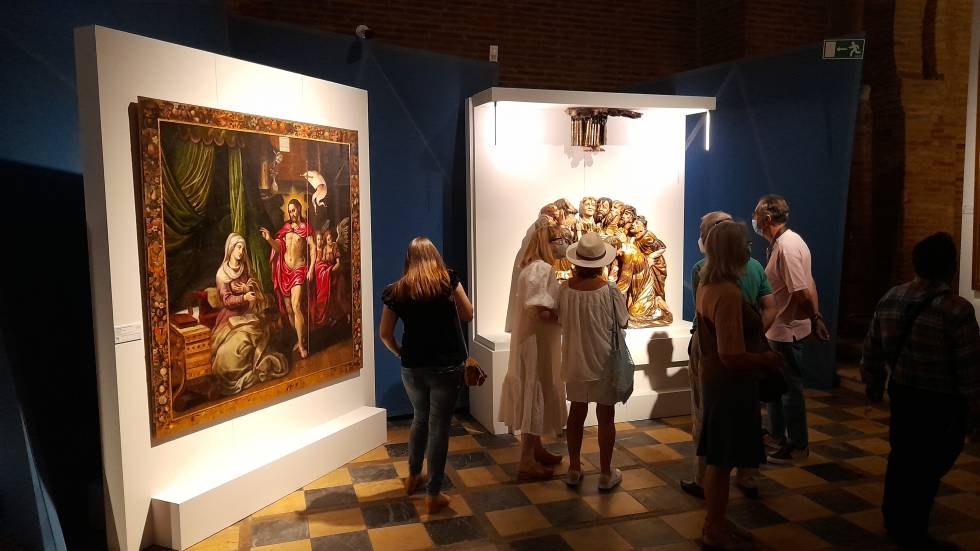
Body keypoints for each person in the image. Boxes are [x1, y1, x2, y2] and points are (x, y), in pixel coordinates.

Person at [862, 232, 980, 550]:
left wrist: (872, 384)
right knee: (929, 467)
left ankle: (895, 519)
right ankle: (913, 531)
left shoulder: (891, 298)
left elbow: (871, 348)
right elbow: (970, 370)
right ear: (951, 268)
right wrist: (974, 414)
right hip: (941, 402)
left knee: (902, 456)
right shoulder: (957, 310)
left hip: (903, 394)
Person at [695, 221, 783, 551]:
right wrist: (768, 361)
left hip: (720, 384)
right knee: (722, 461)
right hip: (730, 386)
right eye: (744, 243)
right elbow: (731, 355)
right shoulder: (728, 293)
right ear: (735, 250)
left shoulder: (709, 285)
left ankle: (715, 519)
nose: (749, 248)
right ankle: (713, 528)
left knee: (721, 459)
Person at [681, 212, 776, 501]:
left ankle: (704, 486)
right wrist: (763, 351)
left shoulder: (705, 276)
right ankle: (744, 479)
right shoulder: (737, 282)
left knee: (710, 423)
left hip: (714, 362)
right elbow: (733, 351)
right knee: (729, 437)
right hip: (732, 368)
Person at [379, 237, 474, 514]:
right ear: (435, 256)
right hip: (446, 365)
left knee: (419, 418)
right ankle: (433, 493)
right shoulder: (448, 281)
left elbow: (385, 335)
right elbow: (467, 314)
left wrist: (400, 353)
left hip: (413, 366)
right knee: (440, 426)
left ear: (408, 259)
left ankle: (412, 476)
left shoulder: (396, 291)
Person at [751, 194, 829, 464]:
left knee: (789, 391)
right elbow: (809, 283)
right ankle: (777, 435)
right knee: (776, 387)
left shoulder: (788, 246)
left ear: (767, 218)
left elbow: (802, 290)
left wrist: (815, 318)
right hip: (778, 328)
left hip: (787, 329)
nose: (754, 220)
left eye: (756, 214)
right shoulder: (780, 244)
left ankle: (797, 445)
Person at [559, 232, 629, 490]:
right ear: (601, 263)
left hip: (575, 359)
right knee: (605, 416)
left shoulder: (564, 289)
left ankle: (574, 468)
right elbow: (623, 321)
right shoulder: (610, 290)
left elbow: (558, 318)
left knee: (576, 412)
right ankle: (605, 472)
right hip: (604, 361)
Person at [498, 221, 568, 479]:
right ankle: (526, 459)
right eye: (558, 240)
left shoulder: (530, 268)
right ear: (546, 243)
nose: (562, 245)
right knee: (534, 389)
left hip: (533, 341)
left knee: (534, 389)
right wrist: (563, 313)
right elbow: (540, 309)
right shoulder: (541, 269)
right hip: (536, 344)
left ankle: (536, 448)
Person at [210, 233, 288, 395]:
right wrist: (243, 297)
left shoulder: (246, 268)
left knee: (257, 334)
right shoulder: (222, 274)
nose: (241, 251)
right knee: (236, 344)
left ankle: (252, 367)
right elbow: (226, 300)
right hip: (231, 317)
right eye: (239, 247)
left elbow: (255, 289)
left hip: (250, 312)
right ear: (231, 249)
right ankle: (236, 373)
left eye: (243, 248)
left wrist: (248, 290)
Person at [260, 199, 316, 358]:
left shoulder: (306, 229)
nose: (292, 214)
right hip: (285, 271)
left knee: (296, 305)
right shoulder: (285, 229)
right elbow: (278, 248)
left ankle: (302, 345)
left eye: (294, 210)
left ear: (299, 209)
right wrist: (269, 239)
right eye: (289, 211)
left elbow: (312, 249)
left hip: (299, 270)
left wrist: (311, 268)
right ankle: (300, 338)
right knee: (289, 310)